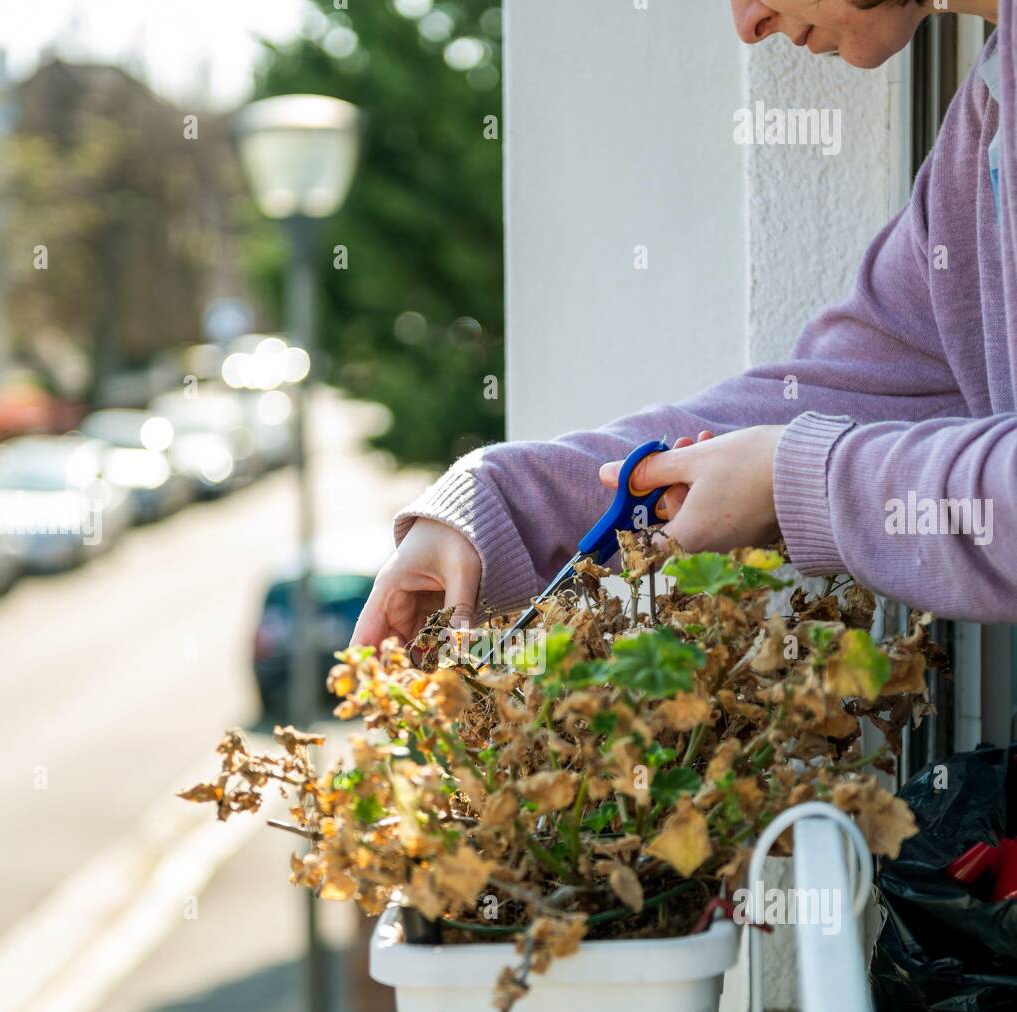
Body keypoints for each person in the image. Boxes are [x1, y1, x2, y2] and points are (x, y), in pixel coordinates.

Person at [353, 0, 1012, 647]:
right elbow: (851, 386)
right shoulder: (988, 116)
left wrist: (792, 479)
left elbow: (802, 440)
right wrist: (495, 509)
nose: (747, 25)